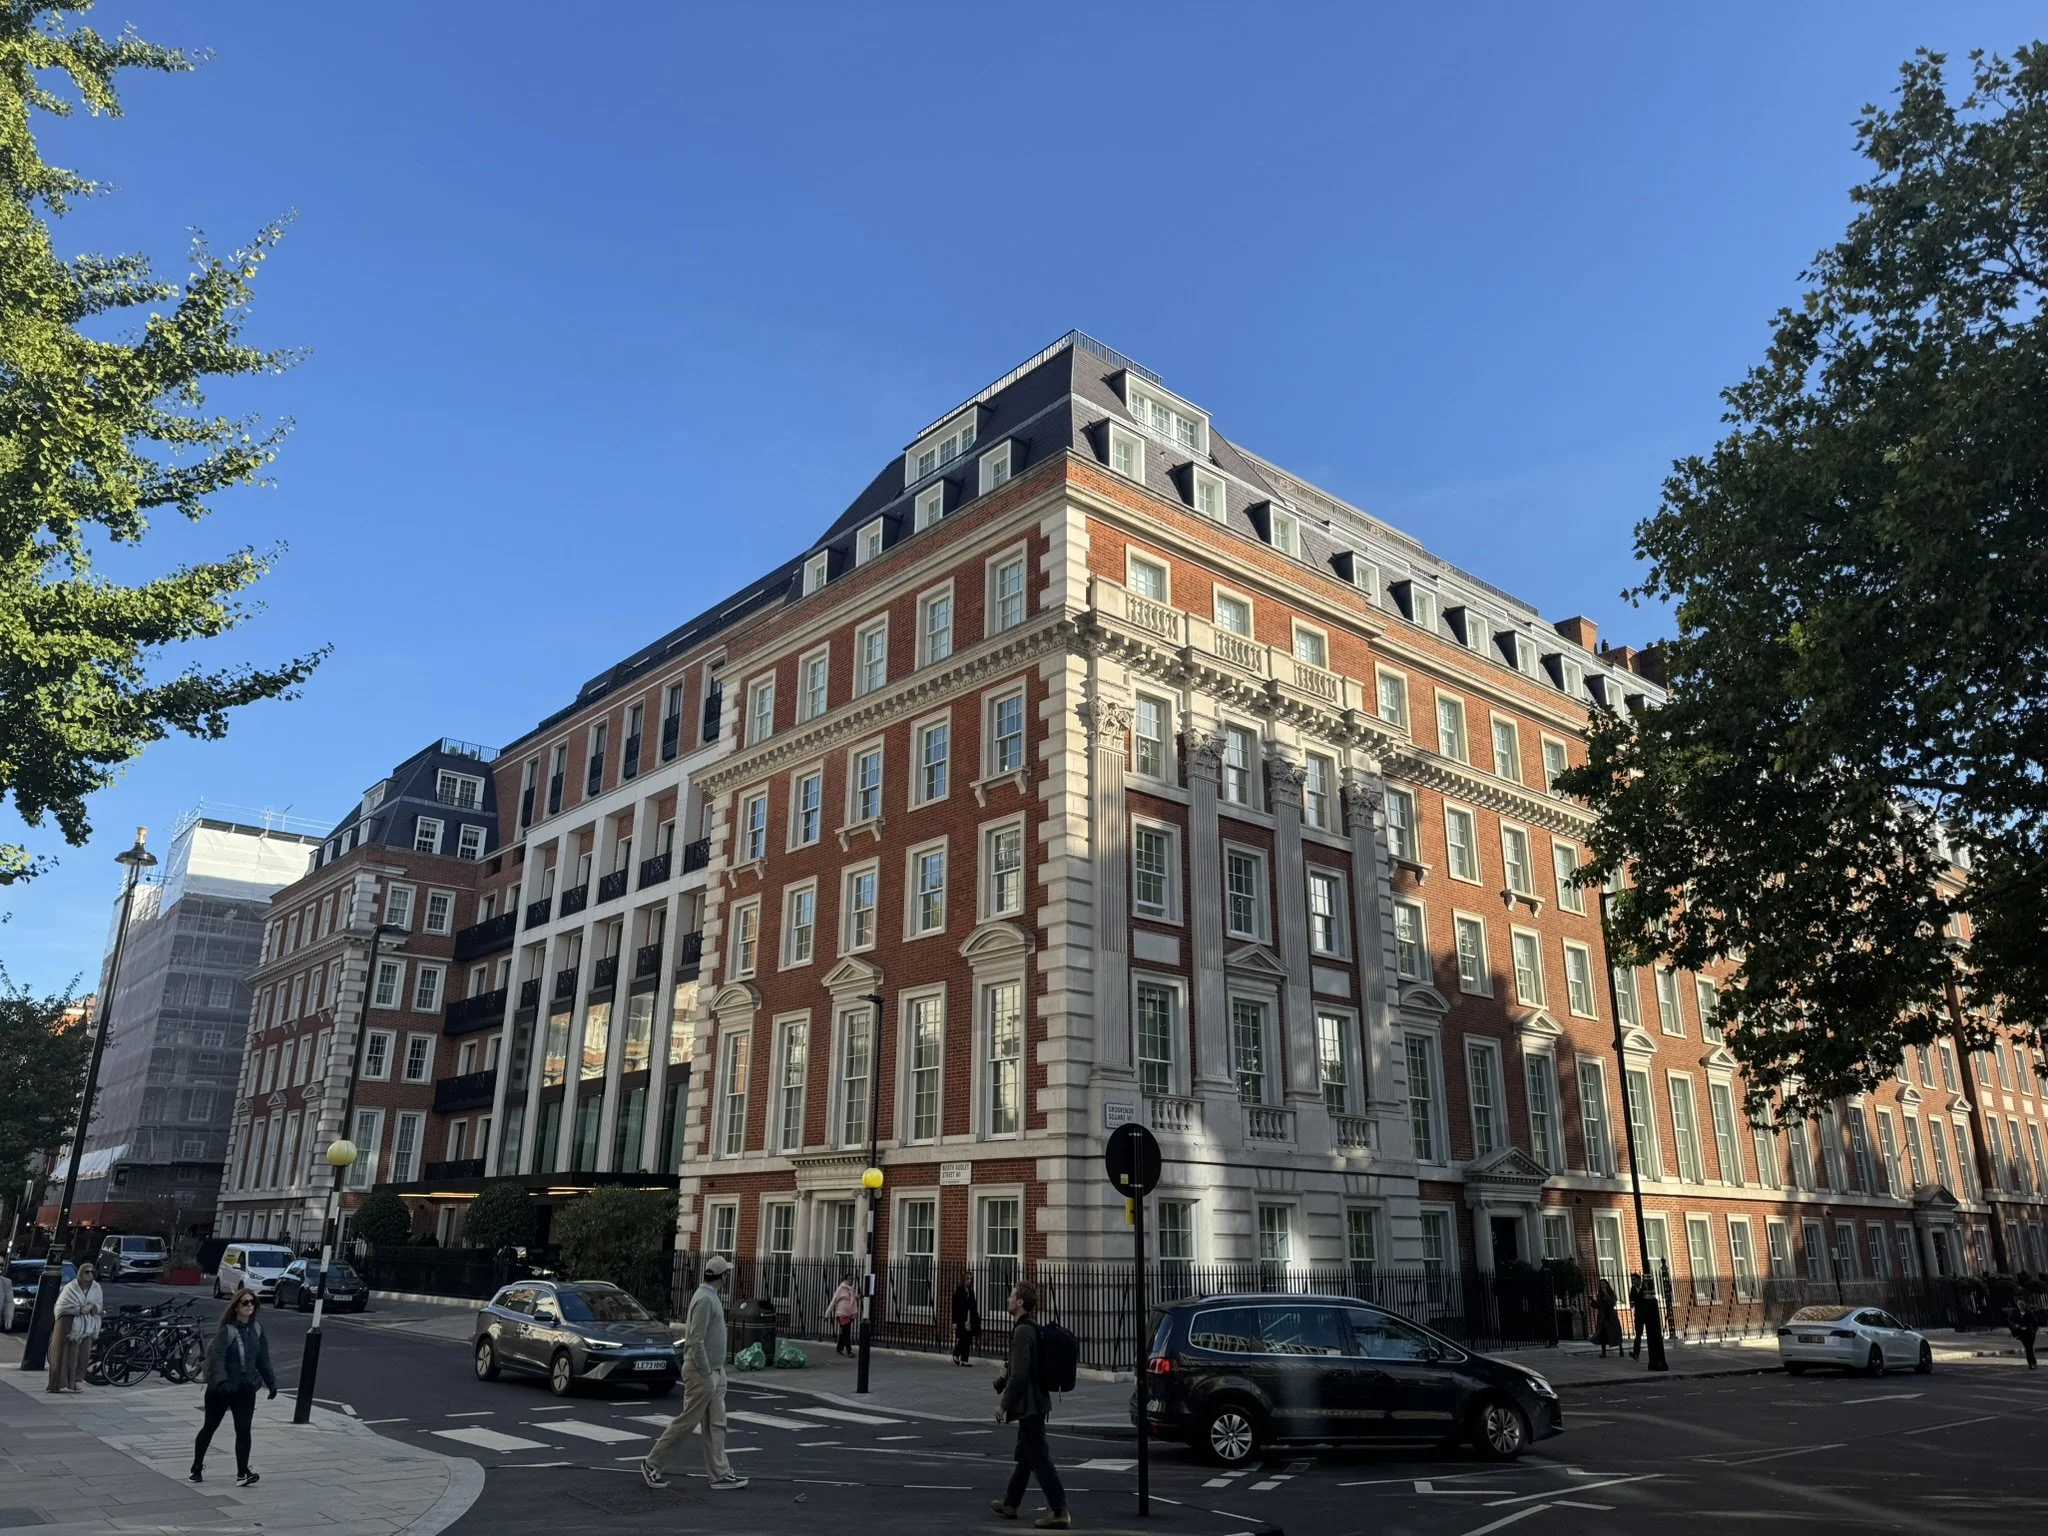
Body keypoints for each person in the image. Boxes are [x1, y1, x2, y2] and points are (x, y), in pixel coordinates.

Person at [641, 1254, 748, 1492]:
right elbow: (695, 1340)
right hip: (703, 1372)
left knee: (717, 1424)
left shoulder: (711, 1297)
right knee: (687, 1422)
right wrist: (707, 1371)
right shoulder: (704, 1299)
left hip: (715, 1371)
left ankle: (720, 1474)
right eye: (727, 1273)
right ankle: (652, 1463)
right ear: (723, 1276)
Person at [990, 1281, 1070, 1529]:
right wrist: (1000, 1381)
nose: (1008, 1299)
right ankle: (1011, 1503)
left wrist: (1003, 1405)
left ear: (1021, 1302)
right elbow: (1015, 1370)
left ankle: (1059, 1511)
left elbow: (1020, 1376)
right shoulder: (1028, 1328)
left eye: (1012, 1295)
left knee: (1038, 1458)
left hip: (1030, 1404)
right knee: (1026, 1456)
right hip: (1034, 1404)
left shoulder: (1023, 1331)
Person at [191, 1288, 276, 1486]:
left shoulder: (257, 1329)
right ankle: (196, 1467)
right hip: (221, 1389)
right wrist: (221, 1382)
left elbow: (263, 1359)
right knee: (210, 1427)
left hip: (245, 1388)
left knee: (244, 1430)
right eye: (244, 1302)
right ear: (236, 1307)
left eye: (252, 1302)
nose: (249, 1306)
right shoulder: (226, 1331)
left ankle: (242, 1473)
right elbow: (216, 1358)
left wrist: (271, 1382)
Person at [48, 1261, 103, 1393]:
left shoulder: (96, 1287)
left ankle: (77, 1380)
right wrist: (78, 1310)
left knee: (84, 1355)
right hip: (68, 1324)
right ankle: (60, 1383)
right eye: (87, 1272)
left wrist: (92, 1307)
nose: (90, 1275)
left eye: (92, 1272)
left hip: (87, 1326)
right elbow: (61, 1307)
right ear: (80, 1273)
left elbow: (100, 1305)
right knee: (66, 1354)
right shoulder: (70, 1288)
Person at [825, 1274, 859, 1356]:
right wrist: (827, 1314)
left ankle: (839, 1348)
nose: (851, 1281)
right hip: (841, 1314)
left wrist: (858, 1297)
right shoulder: (841, 1288)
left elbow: (852, 1299)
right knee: (846, 1332)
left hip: (849, 1314)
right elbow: (833, 1301)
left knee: (844, 1332)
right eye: (849, 1279)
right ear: (845, 1280)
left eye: (852, 1279)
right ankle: (849, 1351)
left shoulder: (851, 1289)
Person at [952, 1275, 981, 1366]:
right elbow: (955, 1307)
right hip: (961, 1317)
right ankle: (956, 1353)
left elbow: (973, 1305)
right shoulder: (959, 1291)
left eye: (970, 1279)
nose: (969, 1281)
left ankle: (964, 1359)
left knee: (968, 1338)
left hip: (970, 1316)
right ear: (963, 1280)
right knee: (963, 1337)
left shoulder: (971, 1292)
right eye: (967, 1279)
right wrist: (954, 1321)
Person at [1592, 1277, 1623, 1359]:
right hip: (1602, 1316)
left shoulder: (1611, 1293)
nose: (1602, 1286)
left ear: (1607, 1285)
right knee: (1602, 1333)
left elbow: (1613, 1303)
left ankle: (1621, 1349)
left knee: (1615, 1332)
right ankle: (1603, 1352)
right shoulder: (1600, 1294)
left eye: (1603, 1284)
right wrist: (1592, 1301)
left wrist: (1606, 1294)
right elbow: (1598, 1306)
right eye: (1601, 1284)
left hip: (1610, 1316)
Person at [2012, 1298, 2040, 1370]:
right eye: (2019, 1304)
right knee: (2028, 1348)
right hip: (2022, 1334)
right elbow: (2011, 1321)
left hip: (2030, 1334)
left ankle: (2032, 1363)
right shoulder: (2016, 1313)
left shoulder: (2029, 1313)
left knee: (2029, 1348)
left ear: (2024, 1305)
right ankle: (2032, 1363)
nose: (2021, 1306)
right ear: (2017, 1305)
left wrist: (2033, 1330)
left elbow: (2036, 1323)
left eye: (2022, 1304)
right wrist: (2016, 1326)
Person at [1628, 1272, 1650, 1359]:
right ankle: (1636, 1353)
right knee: (1638, 1335)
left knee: (1650, 1334)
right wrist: (1631, 1304)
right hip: (1638, 1314)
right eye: (1632, 1280)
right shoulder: (1633, 1289)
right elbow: (1632, 1301)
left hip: (1647, 1313)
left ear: (1639, 1280)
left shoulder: (1645, 1287)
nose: (1633, 1281)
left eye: (1634, 1279)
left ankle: (1653, 1351)